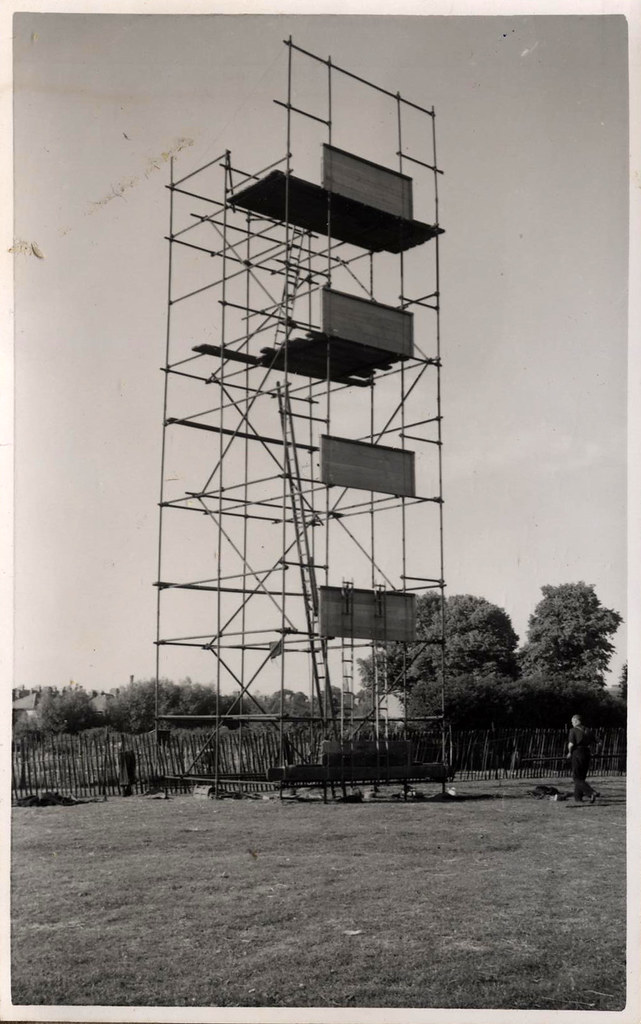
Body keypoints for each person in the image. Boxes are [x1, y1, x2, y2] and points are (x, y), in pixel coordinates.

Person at [567, 714, 599, 804]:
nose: (572, 723)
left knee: (576, 777)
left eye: (572, 722)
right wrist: (597, 752)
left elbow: (571, 744)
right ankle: (578, 798)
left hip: (577, 753)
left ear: (576, 721)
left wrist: (569, 752)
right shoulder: (588, 730)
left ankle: (591, 792)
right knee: (581, 777)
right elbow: (599, 742)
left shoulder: (573, 730)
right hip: (587, 753)